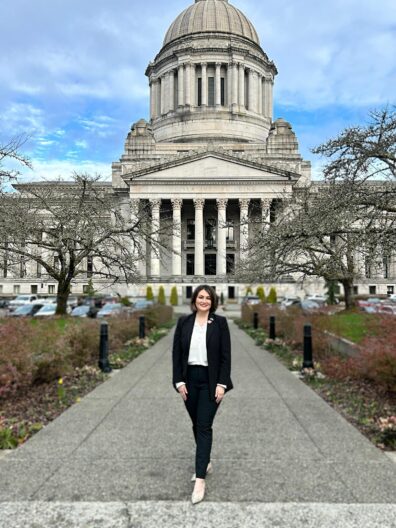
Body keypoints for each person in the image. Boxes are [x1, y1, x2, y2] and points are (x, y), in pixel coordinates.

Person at [172, 284, 233, 504]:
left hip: (210, 381)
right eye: (200, 296)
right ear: (194, 299)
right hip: (189, 380)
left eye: (208, 297)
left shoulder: (220, 323)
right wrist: (178, 381)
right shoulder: (184, 322)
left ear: (212, 301)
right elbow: (176, 355)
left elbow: (226, 357)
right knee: (196, 423)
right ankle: (205, 460)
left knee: (204, 425)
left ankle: (200, 478)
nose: (204, 300)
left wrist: (222, 384)